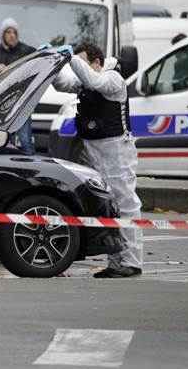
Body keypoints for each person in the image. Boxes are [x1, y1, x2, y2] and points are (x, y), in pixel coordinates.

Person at [52, 43, 143, 278]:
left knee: (125, 203)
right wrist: (54, 61)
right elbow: (62, 83)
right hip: (95, 148)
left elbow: (94, 82)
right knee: (107, 205)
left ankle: (132, 262)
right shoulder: (86, 79)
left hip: (116, 150)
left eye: (83, 63)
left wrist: (72, 58)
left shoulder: (112, 78)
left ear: (97, 62)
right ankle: (115, 262)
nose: (79, 68)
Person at [0, 18, 37, 155]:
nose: (12, 35)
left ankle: (32, 169)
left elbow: (38, 62)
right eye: (8, 32)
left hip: (21, 103)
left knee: (25, 141)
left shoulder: (26, 51)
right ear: (2, 34)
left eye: (15, 32)